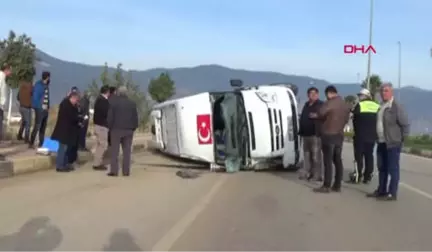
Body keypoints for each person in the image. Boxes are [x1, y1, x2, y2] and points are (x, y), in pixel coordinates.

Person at [367, 83, 409, 201]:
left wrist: (401, 140)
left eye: (386, 91)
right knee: (382, 168)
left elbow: (405, 124)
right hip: (381, 142)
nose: (383, 93)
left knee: (392, 168)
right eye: (382, 91)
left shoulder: (396, 106)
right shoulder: (382, 106)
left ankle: (392, 193)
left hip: (393, 143)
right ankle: (381, 190)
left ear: (391, 92)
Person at [312, 85, 350, 193]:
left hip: (328, 134)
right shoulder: (344, 104)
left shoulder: (329, 103)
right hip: (339, 134)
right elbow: (346, 118)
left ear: (329, 93)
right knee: (337, 160)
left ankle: (326, 185)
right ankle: (337, 184)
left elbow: (321, 113)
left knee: (327, 161)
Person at [107, 86, 138, 177]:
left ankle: (114, 171)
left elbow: (110, 118)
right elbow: (135, 118)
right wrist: (133, 128)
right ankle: (126, 171)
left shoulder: (113, 103)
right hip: (128, 130)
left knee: (114, 151)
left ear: (118, 93)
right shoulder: (132, 103)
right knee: (127, 151)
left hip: (116, 130)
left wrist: (110, 128)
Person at [350, 88, 379, 184]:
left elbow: (353, 117)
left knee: (359, 156)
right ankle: (368, 176)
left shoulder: (360, 105)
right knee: (369, 156)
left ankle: (358, 175)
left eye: (360, 95)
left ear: (365, 96)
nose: (359, 97)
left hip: (360, 135)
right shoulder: (376, 106)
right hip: (372, 136)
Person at [50, 92, 81, 172]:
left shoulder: (69, 105)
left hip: (67, 131)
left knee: (66, 148)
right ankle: (60, 165)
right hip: (63, 131)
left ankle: (65, 164)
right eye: (76, 100)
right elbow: (71, 117)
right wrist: (78, 118)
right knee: (62, 148)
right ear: (72, 98)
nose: (76, 102)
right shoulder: (66, 105)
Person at [298, 87, 323, 181]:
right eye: (310, 93)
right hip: (306, 135)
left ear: (317, 94)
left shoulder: (320, 104)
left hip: (315, 135)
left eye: (314, 93)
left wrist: (317, 115)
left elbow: (324, 115)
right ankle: (307, 173)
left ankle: (317, 175)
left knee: (316, 156)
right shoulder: (306, 105)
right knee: (307, 155)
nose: (312, 95)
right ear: (307, 95)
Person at [30, 71, 50, 148]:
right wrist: (40, 106)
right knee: (37, 125)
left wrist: (47, 107)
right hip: (39, 109)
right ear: (47, 77)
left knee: (43, 127)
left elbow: (47, 98)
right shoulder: (38, 85)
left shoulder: (46, 86)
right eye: (49, 77)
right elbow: (35, 98)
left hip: (45, 109)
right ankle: (31, 142)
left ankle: (41, 143)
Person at [92, 85, 111, 171]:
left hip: (98, 124)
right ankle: (97, 163)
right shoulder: (103, 101)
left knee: (99, 144)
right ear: (107, 92)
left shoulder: (98, 99)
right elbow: (106, 113)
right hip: (102, 126)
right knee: (103, 145)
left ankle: (97, 161)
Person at [0, 64, 12, 144]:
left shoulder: (2, 77)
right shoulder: (1, 77)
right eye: (10, 70)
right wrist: (2, 104)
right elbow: (2, 92)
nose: (11, 72)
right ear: (6, 70)